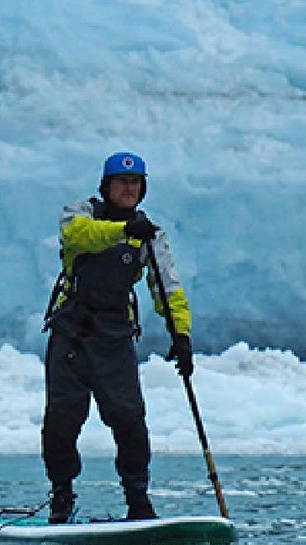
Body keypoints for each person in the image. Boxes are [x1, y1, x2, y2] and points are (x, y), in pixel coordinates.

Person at [41, 151, 194, 524]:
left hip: (115, 338)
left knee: (129, 420)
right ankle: (61, 496)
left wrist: (181, 333)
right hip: (72, 335)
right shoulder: (80, 213)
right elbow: (80, 237)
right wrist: (124, 231)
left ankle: (138, 500)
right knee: (62, 420)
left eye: (135, 182)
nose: (129, 188)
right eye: (122, 182)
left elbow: (167, 287)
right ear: (106, 186)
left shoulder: (151, 235)